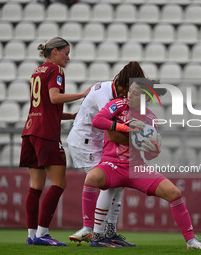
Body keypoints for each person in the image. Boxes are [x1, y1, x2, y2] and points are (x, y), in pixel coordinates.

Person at [82, 80, 201, 249]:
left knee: (174, 193)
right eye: (130, 91)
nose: (129, 95)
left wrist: (153, 150)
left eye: (135, 93)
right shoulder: (117, 105)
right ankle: (89, 231)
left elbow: (149, 155)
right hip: (111, 164)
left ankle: (191, 241)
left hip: (136, 167)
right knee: (92, 177)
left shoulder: (150, 118)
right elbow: (97, 121)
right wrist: (124, 128)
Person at [19, 37, 92, 246]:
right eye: (66, 53)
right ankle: (43, 234)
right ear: (55, 52)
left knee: (35, 186)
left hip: (30, 131)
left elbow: (46, 108)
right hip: (46, 134)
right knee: (59, 182)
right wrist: (83, 94)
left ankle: (32, 235)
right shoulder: (56, 70)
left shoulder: (37, 71)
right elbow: (53, 98)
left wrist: (72, 116)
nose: (68, 58)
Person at [67, 62, 146, 246]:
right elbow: (111, 132)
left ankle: (109, 232)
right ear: (125, 85)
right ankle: (95, 233)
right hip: (84, 143)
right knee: (108, 184)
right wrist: (140, 144)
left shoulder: (110, 91)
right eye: (131, 90)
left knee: (116, 185)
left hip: (95, 142)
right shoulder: (105, 96)